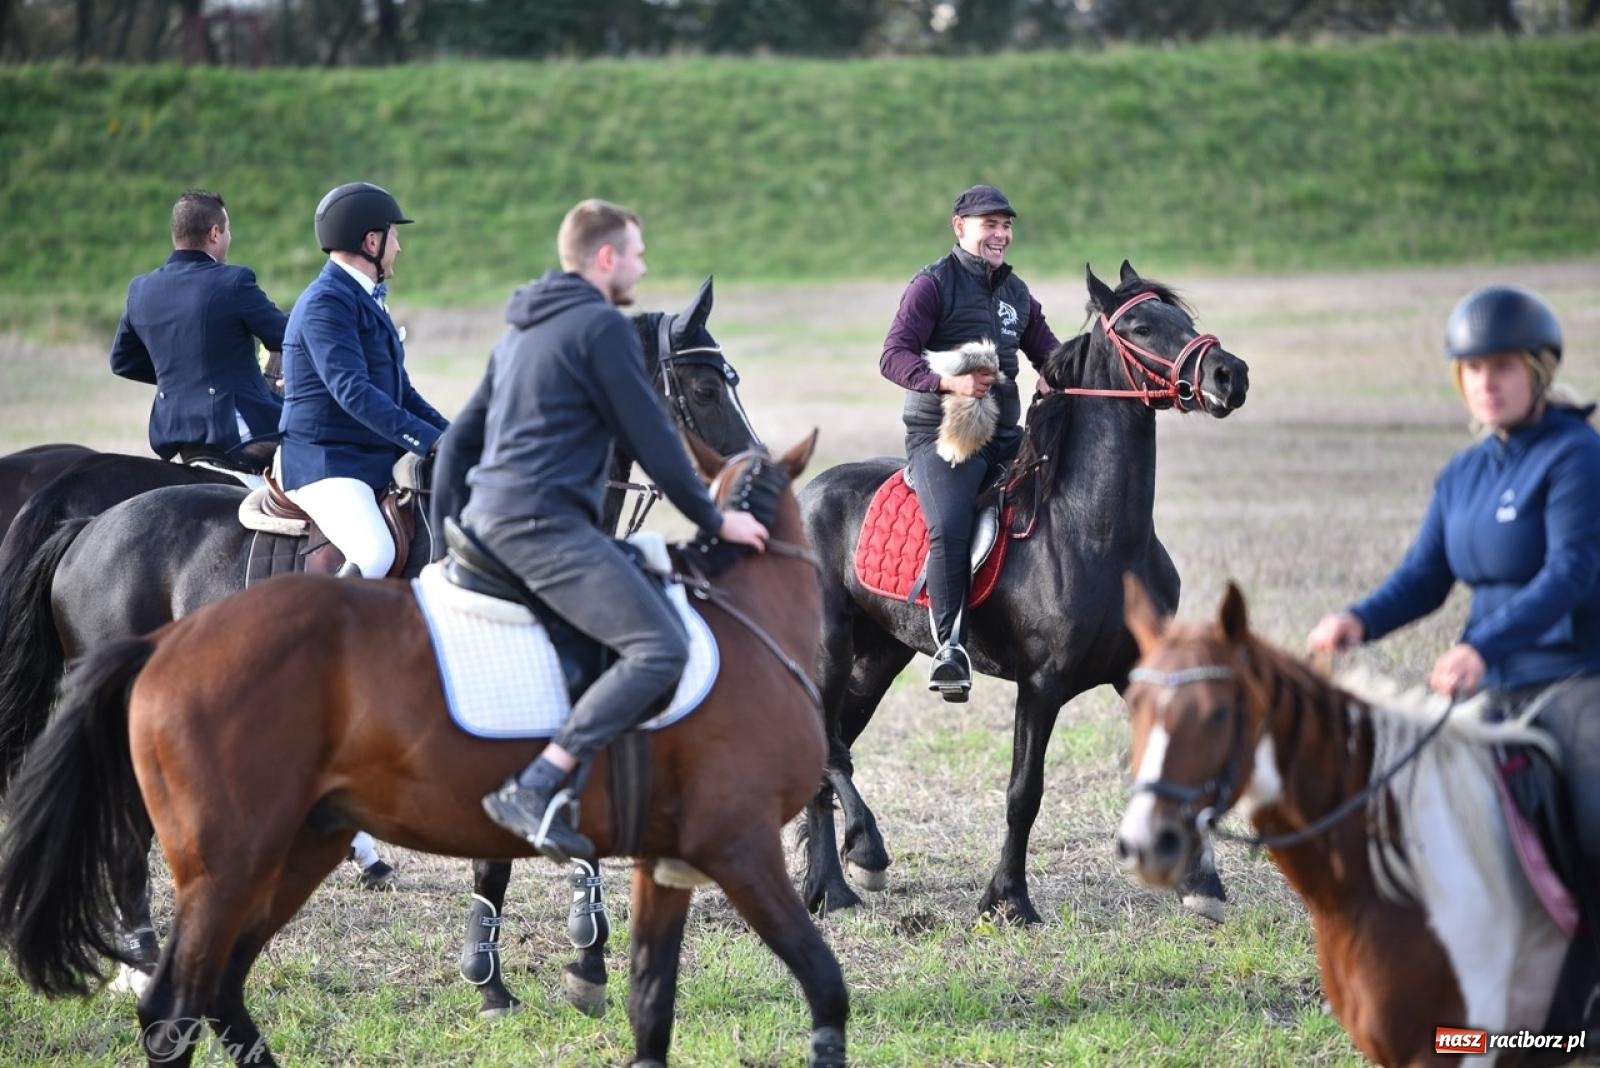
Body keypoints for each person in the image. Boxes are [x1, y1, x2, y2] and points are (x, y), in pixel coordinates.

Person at [1307, 286, 1600, 1000]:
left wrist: (1484, 647)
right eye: (1472, 369)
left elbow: (1571, 572)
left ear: (1539, 370)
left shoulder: (1576, 455)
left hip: (1573, 678)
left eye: (1502, 367)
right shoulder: (1463, 474)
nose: (1486, 383)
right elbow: (1425, 578)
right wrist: (1358, 620)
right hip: (1491, 689)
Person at [454, 198, 768, 861]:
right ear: (605, 258)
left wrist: (446, 538)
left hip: (486, 523)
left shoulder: (519, 329)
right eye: (636, 253)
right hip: (544, 529)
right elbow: (655, 440)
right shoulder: (601, 328)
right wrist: (716, 518)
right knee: (660, 647)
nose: (643, 266)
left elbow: (458, 443)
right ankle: (537, 786)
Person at [880, 184, 1063, 700]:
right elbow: (893, 355)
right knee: (952, 523)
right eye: (990, 224)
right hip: (943, 438)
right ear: (960, 227)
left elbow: (1048, 352)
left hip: (1005, 437)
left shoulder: (1016, 293)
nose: (1001, 234)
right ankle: (951, 648)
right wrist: (950, 382)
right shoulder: (931, 285)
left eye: (1006, 225)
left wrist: (1056, 373)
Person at [277, 182, 449, 579]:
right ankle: (325, 638)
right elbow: (353, 393)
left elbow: (400, 392)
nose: (399, 248)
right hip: (325, 460)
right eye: (395, 236)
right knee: (375, 553)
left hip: (363, 455)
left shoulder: (364, 297)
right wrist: (426, 441)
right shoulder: (326, 303)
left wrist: (450, 436)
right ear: (372, 241)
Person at [111, 189, 288, 469]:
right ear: (215, 233)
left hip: (175, 431)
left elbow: (122, 361)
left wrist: (182, 379)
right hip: (237, 428)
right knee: (318, 443)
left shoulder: (140, 289)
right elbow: (285, 335)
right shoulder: (233, 281)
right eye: (228, 230)